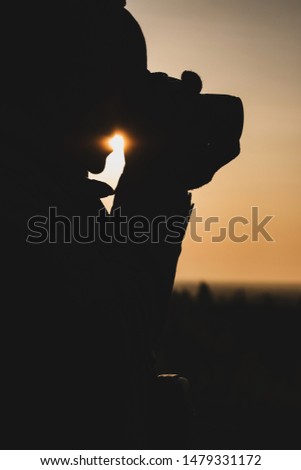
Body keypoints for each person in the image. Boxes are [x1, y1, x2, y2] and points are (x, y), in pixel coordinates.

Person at [0, 0, 242, 449]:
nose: (123, 118)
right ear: (58, 85)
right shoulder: (19, 201)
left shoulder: (55, 195)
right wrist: (157, 176)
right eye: (118, 89)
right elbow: (107, 352)